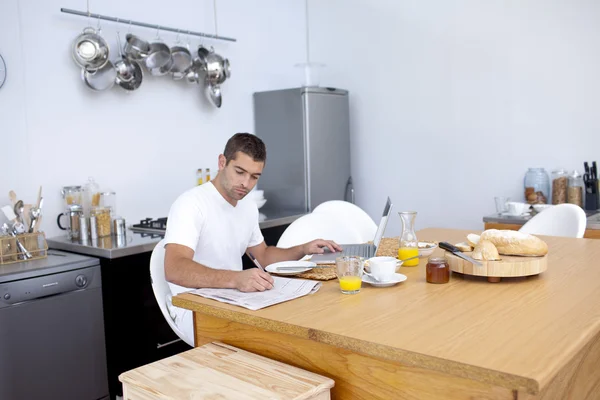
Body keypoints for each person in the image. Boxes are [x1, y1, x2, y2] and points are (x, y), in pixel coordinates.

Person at [163, 132, 341, 340]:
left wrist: (302, 249)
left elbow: (263, 256)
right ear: (222, 162)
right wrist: (236, 279)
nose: (246, 184)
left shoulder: (247, 206)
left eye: (254, 177)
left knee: (304, 319)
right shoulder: (191, 204)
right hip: (193, 305)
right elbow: (174, 269)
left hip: (233, 298)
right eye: (239, 172)